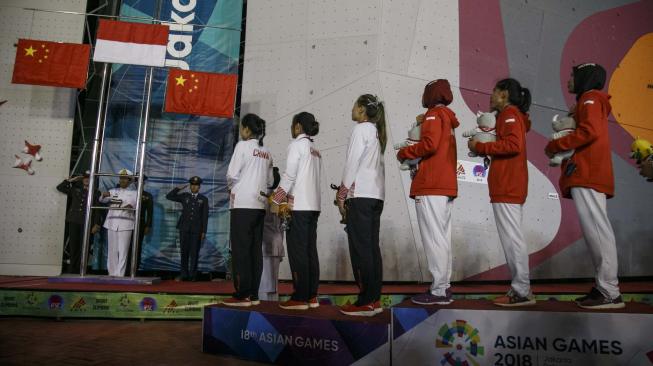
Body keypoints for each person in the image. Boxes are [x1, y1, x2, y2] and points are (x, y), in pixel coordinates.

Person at [545, 63, 624, 309]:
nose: (569, 79)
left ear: (585, 77)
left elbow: (589, 132)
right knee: (595, 233)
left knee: (598, 232)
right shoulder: (588, 101)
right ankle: (605, 287)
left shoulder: (590, 98)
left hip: (589, 172)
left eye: (573, 75)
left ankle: (609, 291)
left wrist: (556, 145)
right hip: (586, 172)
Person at [468, 78, 535, 307]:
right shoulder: (512, 115)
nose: (491, 95)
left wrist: (480, 147)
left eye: (494, 91)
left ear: (504, 94)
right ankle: (520, 289)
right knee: (512, 238)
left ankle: (521, 291)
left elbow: (512, 145)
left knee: (512, 239)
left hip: (508, 184)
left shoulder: (508, 114)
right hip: (509, 183)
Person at [397, 79, 459, 305]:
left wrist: (404, 152)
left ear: (432, 94)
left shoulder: (434, 114)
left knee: (434, 238)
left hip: (431, 184)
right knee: (442, 237)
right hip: (445, 185)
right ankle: (444, 286)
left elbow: (429, 144)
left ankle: (439, 290)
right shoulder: (447, 117)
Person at [337, 94, 387, 317]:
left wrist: (342, 193)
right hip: (376, 196)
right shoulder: (375, 131)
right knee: (372, 249)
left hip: (361, 197)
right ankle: (374, 299)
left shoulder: (361, 129)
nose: (352, 109)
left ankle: (365, 300)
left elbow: (352, 162)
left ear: (361, 109)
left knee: (361, 250)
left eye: (354, 105)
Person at [272, 112, 322, 310]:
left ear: (298, 127)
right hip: (313, 206)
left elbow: (289, 175)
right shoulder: (315, 149)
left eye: (292, 125)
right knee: (310, 251)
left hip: (299, 206)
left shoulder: (296, 145)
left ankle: (300, 297)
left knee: (298, 252)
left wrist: (276, 199)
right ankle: (311, 296)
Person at [223, 113, 273, 307]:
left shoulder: (242, 146)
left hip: (242, 204)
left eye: (242, 128)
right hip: (259, 205)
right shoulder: (266, 151)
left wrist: (231, 187)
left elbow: (231, 174)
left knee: (241, 250)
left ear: (246, 129)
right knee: (254, 250)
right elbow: (270, 182)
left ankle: (242, 294)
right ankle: (253, 293)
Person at [56, 170, 101, 274]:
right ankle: (72, 269)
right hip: (74, 221)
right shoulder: (75, 189)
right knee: (73, 246)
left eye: (88, 178)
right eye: (85, 177)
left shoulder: (96, 192)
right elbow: (60, 188)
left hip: (87, 223)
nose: (86, 179)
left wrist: (96, 224)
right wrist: (71, 180)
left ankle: (81, 269)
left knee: (84, 247)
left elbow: (97, 210)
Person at [166, 176, 209, 282]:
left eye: (196, 185)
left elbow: (204, 216)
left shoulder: (203, 199)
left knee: (194, 253)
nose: (194, 187)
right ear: (190, 186)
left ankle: (192, 276)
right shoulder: (185, 196)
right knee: (184, 252)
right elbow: (169, 196)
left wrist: (204, 231)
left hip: (196, 230)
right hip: (184, 228)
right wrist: (178, 188)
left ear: (199, 187)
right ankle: (184, 274)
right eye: (192, 185)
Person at [99, 169, 138, 277]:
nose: (122, 180)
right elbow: (102, 200)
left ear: (130, 181)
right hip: (111, 223)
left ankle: (120, 274)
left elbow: (133, 204)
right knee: (112, 250)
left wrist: (130, 206)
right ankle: (112, 273)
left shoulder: (135, 193)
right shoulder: (113, 191)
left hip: (125, 224)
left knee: (123, 251)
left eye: (125, 179)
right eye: (121, 178)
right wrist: (104, 195)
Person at [259, 167, 285, 301]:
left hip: (265, 244)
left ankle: (264, 308)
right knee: (274, 283)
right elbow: (282, 226)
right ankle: (274, 307)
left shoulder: (262, 197)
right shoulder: (280, 198)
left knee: (264, 282)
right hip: (278, 244)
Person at [125, 175, 153, 276]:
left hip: (140, 223)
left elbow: (150, 212)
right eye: (136, 181)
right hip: (127, 221)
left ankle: (134, 269)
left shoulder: (147, 195)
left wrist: (148, 226)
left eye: (141, 181)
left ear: (144, 182)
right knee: (125, 246)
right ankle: (124, 268)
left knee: (137, 247)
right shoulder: (128, 193)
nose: (138, 183)